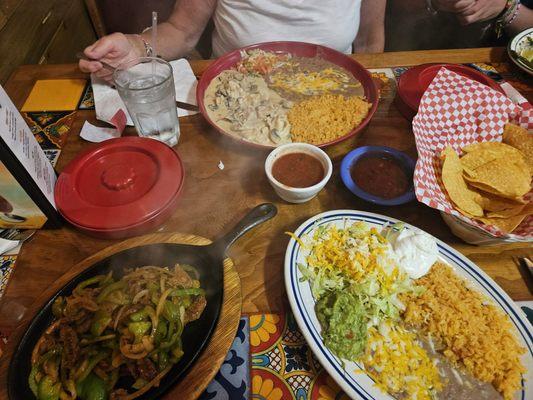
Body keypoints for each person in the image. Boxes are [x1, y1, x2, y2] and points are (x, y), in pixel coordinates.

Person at [79, 0, 386, 81]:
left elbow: (370, 41)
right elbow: (182, 31)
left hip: (330, 91)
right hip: (235, 89)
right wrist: (136, 47)